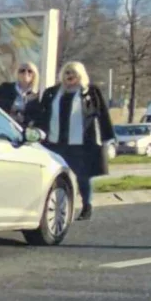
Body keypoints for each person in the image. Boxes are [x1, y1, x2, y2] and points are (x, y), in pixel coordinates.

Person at [37, 61, 113, 221]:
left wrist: (108, 139)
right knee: (54, 176)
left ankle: (87, 205)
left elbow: (103, 115)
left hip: (81, 143)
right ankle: (55, 206)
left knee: (82, 176)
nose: (70, 76)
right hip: (55, 142)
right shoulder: (52, 93)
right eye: (67, 73)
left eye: (74, 73)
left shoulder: (90, 92)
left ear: (81, 75)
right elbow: (41, 115)